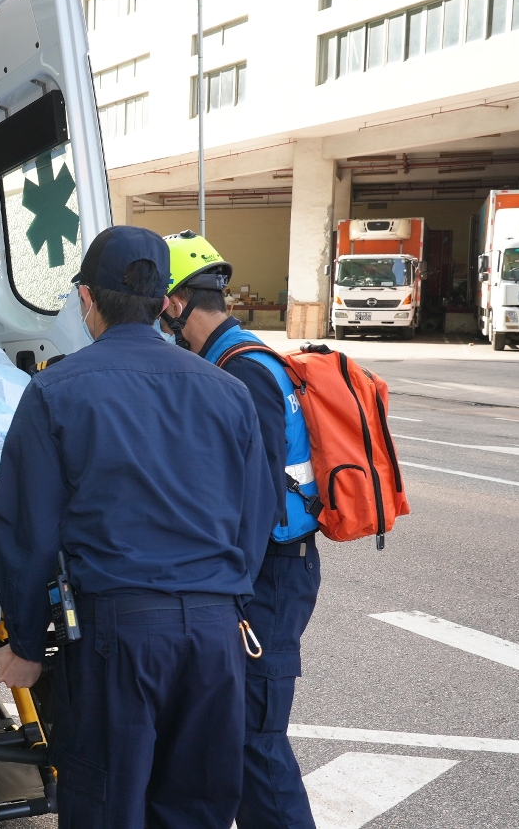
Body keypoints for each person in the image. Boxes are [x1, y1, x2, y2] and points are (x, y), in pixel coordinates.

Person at [0, 225, 275, 829]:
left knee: (107, 804)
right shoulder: (227, 390)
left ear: (87, 299)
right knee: (196, 809)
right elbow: (256, 517)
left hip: (120, 636)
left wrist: (26, 643)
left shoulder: (55, 390)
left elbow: (27, 531)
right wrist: (225, 601)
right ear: (165, 303)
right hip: (215, 637)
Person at [161, 230, 322, 829]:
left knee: (256, 738)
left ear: (175, 303)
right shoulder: (231, 358)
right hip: (265, 567)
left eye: (159, 307)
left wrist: (231, 593)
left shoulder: (243, 370)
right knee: (237, 736)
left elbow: (257, 495)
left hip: (267, 575)